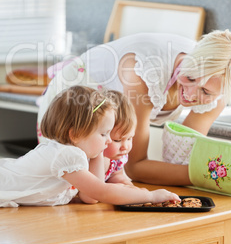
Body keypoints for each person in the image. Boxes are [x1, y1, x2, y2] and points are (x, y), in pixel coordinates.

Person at [37, 27, 231, 187]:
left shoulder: (218, 92)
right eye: (190, 77)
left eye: (206, 92)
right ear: (191, 57)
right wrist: (211, 176)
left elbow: (186, 157)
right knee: (74, 185)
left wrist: (217, 169)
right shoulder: (142, 71)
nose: (192, 94)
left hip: (106, 126)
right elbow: (135, 166)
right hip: (71, 105)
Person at [0, 86, 180, 207]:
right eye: (103, 134)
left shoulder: (74, 155)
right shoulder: (67, 155)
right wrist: (151, 196)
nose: (109, 140)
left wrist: (97, 153)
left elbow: (90, 197)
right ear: (75, 134)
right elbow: (101, 192)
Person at [104, 90, 137, 185]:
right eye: (117, 140)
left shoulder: (117, 157)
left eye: (129, 138)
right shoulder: (91, 158)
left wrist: (125, 183)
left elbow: (115, 175)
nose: (125, 147)